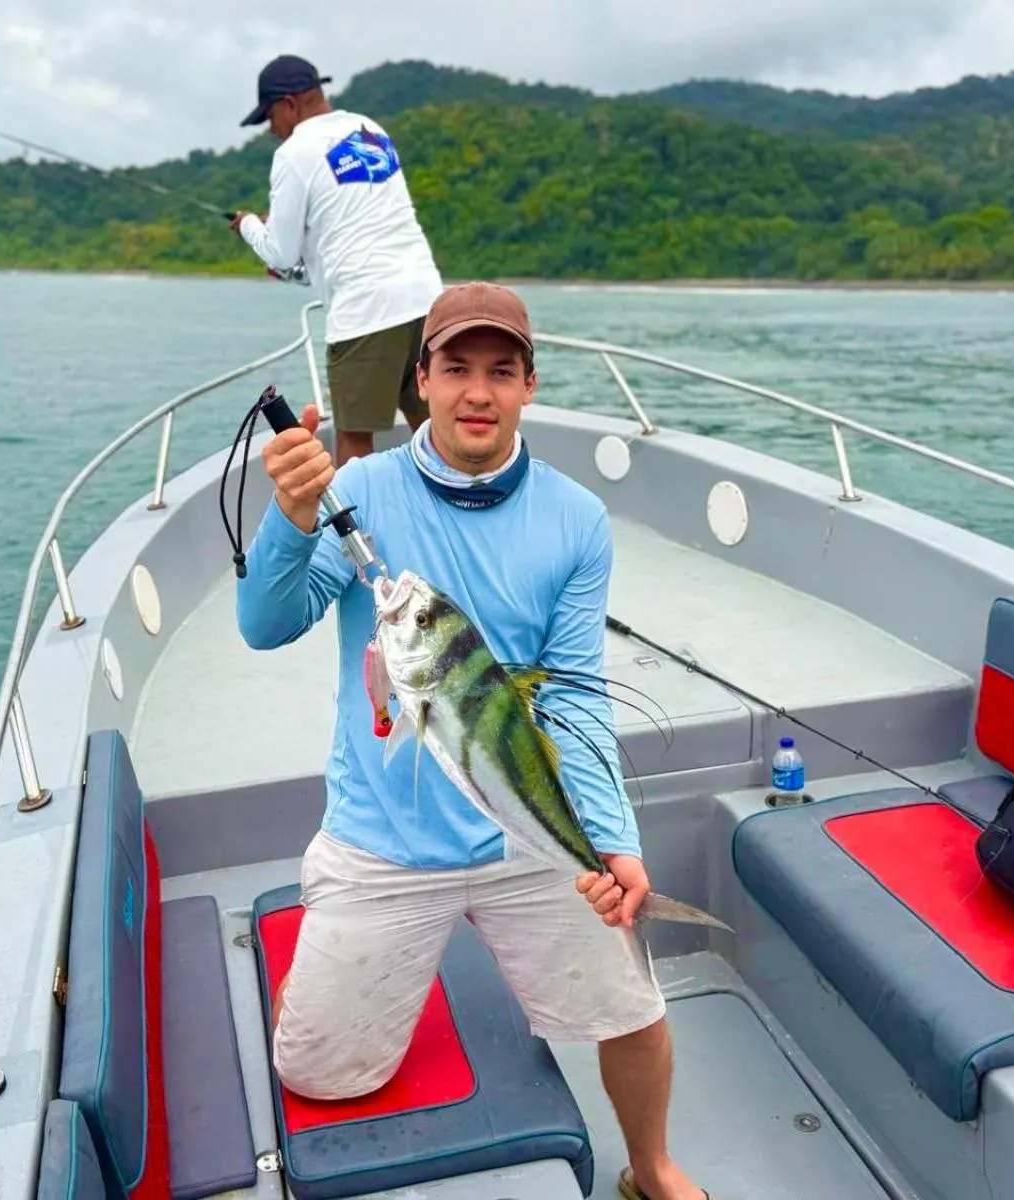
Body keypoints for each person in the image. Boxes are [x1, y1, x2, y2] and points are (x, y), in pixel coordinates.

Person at [234, 281, 710, 1200]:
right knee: (320, 1074)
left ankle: (650, 1167)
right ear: (422, 380)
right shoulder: (356, 489)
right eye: (456, 369)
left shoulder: (575, 519)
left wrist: (613, 842)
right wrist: (290, 521)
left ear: (530, 384)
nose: (478, 393)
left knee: (634, 1012)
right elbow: (266, 624)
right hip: (384, 836)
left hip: (525, 840)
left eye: (501, 371)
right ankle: (316, 973)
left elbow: (574, 699)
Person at [229, 53, 444, 464]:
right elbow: (348, 217)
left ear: (289, 104)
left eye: (270, 117)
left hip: (367, 313)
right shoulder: (369, 130)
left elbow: (281, 253)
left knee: (354, 440)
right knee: (435, 428)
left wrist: (249, 225)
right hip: (427, 301)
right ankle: (462, 501)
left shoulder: (294, 152)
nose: (271, 129)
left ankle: (355, 513)